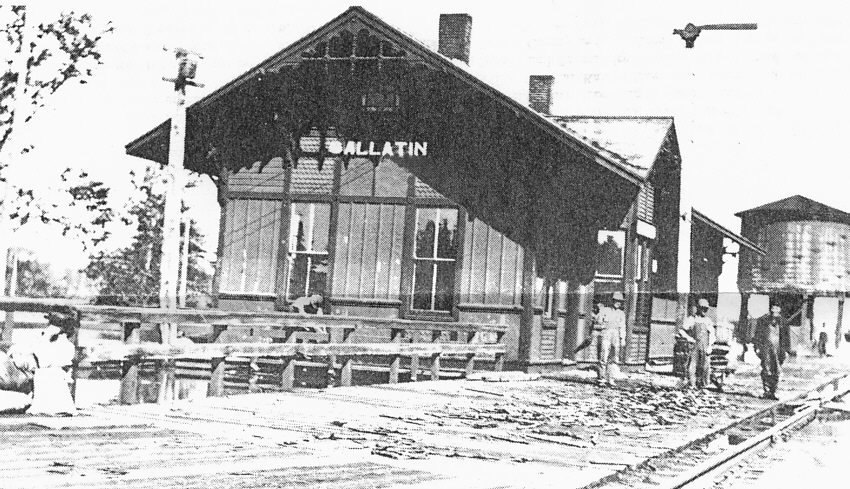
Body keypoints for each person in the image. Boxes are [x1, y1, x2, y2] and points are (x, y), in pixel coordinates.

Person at [753, 300, 792, 400]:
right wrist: (757, 347)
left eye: (777, 308)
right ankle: (766, 391)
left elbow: (787, 337)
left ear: (780, 309)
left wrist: (787, 350)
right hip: (766, 349)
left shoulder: (784, 322)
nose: (775, 310)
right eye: (773, 307)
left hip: (778, 350)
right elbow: (757, 335)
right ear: (770, 309)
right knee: (766, 369)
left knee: (776, 370)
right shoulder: (763, 320)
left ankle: (773, 392)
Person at [680, 298, 714, 389]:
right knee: (692, 366)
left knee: (705, 366)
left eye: (706, 309)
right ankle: (692, 384)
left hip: (705, 347)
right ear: (698, 308)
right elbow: (681, 330)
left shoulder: (708, 321)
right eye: (702, 308)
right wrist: (689, 338)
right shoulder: (691, 319)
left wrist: (710, 346)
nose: (704, 311)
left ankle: (703, 386)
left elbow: (712, 335)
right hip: (695, 346)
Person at [596, 292, 627, 386]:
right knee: (604, 356)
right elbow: (598, 321)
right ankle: (601, 379)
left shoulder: (621, 313)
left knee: (614, 358)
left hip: (616, 336)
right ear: (613, 301)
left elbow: (623, 327)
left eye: (620, 301)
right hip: (606, 334)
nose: (619, 303)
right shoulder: (605, 310)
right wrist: (601, 320)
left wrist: (623, 339)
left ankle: (611, 379)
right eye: (617, 301)